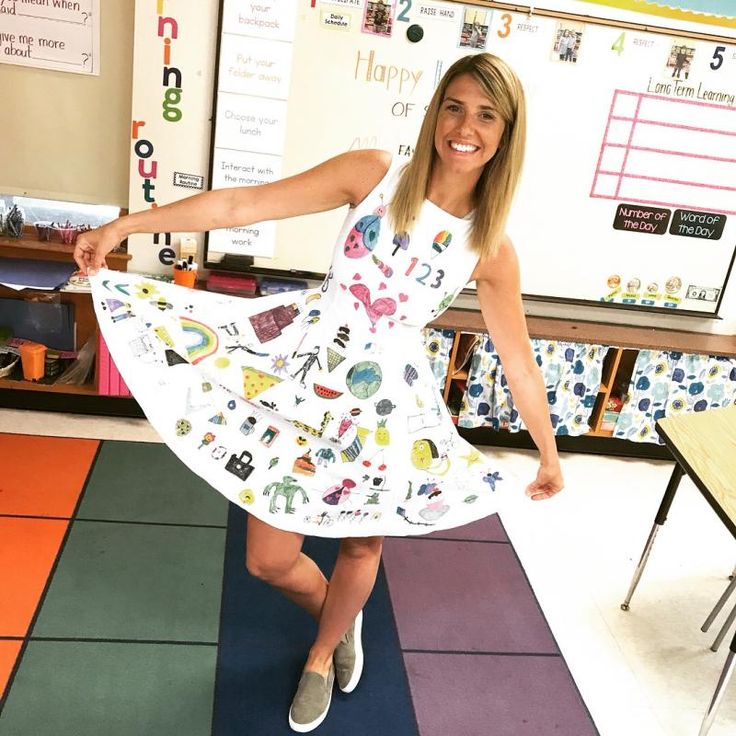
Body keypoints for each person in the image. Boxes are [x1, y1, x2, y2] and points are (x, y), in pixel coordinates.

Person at [74, 53, 563, 733]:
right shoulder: (374, 175)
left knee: (363, 546)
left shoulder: (490, 247)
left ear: (505, 134)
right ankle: (340, 609)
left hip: (387, 401)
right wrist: (125, 225)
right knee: (267, 559)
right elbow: (242, 203)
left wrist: (548, 450)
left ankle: (323, 649)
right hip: (303, 367)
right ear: (435, 112)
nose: (465, 127)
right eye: (454, 106)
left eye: (486, 115)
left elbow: (517, 356)